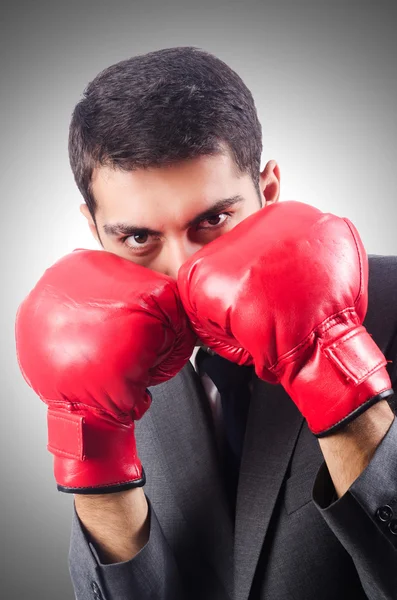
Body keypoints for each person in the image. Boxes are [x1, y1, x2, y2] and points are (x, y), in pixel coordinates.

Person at [15, 47, 397, 600]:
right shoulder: (98, 356)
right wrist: (92, 443)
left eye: (213, 220)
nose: (182, 269)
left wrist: (333, 366)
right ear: (94, 230)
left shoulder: (386, 306)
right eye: (138, 238)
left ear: (267, 192)